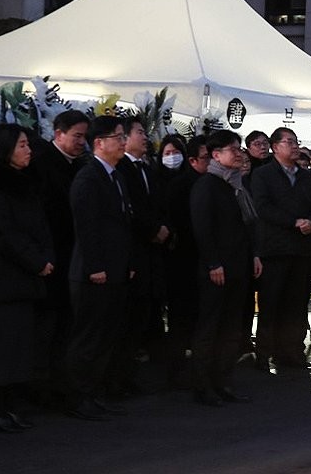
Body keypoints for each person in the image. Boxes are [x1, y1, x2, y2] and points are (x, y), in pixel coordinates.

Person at [0, 124, 55, 433]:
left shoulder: (23, 182)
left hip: (24, 275)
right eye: (21, 145)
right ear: (5, 149)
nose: (28, 150)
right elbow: (2, 233)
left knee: (18, 346)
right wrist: (37, 262)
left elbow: (38, 225)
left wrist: (45, 258)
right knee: (0, 346)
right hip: (2, 276)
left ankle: (9, 405)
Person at [64, 116, 134, 421]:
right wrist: (95, 266)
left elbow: (122, 224)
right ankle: (78, 396)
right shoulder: (88, 176)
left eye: (123, 137)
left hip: (115, 269)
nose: (123, 142)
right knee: (88, 337)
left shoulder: (116, 175)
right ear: (99, 143)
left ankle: (94, 392)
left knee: (106, 334)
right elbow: (86, 225)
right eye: (117, 137)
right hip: (93, 272)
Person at [189, 130, 262, 406]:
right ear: (216, 155)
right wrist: (213, 262)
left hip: (239, 266)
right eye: (233, 149)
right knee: (210, 327)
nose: (239, 152)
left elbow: (248, 226)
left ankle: (223, 381)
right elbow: (203, 228)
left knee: (231, 329)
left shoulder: (238, 185)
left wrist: (254, 254)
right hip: (216, 269)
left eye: (238, 148)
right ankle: (202, 386)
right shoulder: (207, 185)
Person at [27, 109, 89, 408]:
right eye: (76, 136)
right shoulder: (42, 165)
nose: (82, 142)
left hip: (73, 258)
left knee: (67, 326)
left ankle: (61, 384)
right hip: (51, 257)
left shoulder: (80, 166)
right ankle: (42, 388)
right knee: (47, 329)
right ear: (58, 134)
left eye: (84, 137)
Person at [249, 127, 311, 372]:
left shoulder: (307, 177)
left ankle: (292, 352)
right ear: (275, 146)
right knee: (271, 304)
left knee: (296, 304)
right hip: (275, 249)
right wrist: (293, 222)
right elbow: (262, 207)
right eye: (288, 142)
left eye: (295, 141)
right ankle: (263, 354)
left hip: (301, 249)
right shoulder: (263, 175)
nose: (294, 146)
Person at [111, 117, 170, 397]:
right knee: (125, 319)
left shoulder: (148, 167)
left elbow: (157, 204)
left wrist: (163, 228)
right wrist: (152, 229)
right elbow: (130, 210)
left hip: (152, 253)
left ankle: (133, 376)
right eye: (138, 132)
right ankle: (118, 378)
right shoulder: (119, 168)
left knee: (144, 315)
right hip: (132, 252)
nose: (144, 137)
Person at [162, 135, 210, 388]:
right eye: (206, 157)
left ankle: (197, 369)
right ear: (192, 159)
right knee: (181, 318)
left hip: (205, 260)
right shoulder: (180, 185)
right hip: (184, 260)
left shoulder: (212, 183)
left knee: (201, 318)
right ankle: (175, 371)